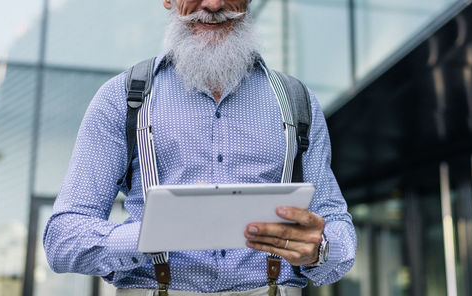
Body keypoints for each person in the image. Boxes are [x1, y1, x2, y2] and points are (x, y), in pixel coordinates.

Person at [43, 0, 357, 295]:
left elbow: (336, 225)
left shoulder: (297, 101)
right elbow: (64, 239)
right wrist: (156, 231)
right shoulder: (121, 99)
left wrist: (320, 248)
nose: (213, 5)